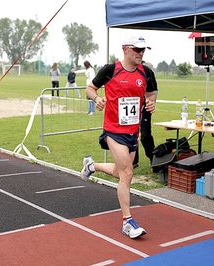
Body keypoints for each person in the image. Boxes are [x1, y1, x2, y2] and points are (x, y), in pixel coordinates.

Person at [80, 35, 157, 239]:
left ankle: (91, 166)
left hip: (133, 131)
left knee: (120, 172)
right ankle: (127, 222)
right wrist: (97, 98)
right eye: (137, 50)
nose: (141, 53)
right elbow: (90, 88)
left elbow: (151, 94)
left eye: (143, 50)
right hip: (113, 130)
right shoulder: (110, 70)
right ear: (125, 49)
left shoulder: (146, 72)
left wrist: (151, 103)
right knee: (128, 174)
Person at [133, 61, 158, 168]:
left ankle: (154, 158)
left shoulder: (147, 72)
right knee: (132, 134)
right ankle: (133, 161)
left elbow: (154, 91)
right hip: (132, 109)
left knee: (145, 135)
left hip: (145, 107)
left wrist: (150, 102)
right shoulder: (126, 72)